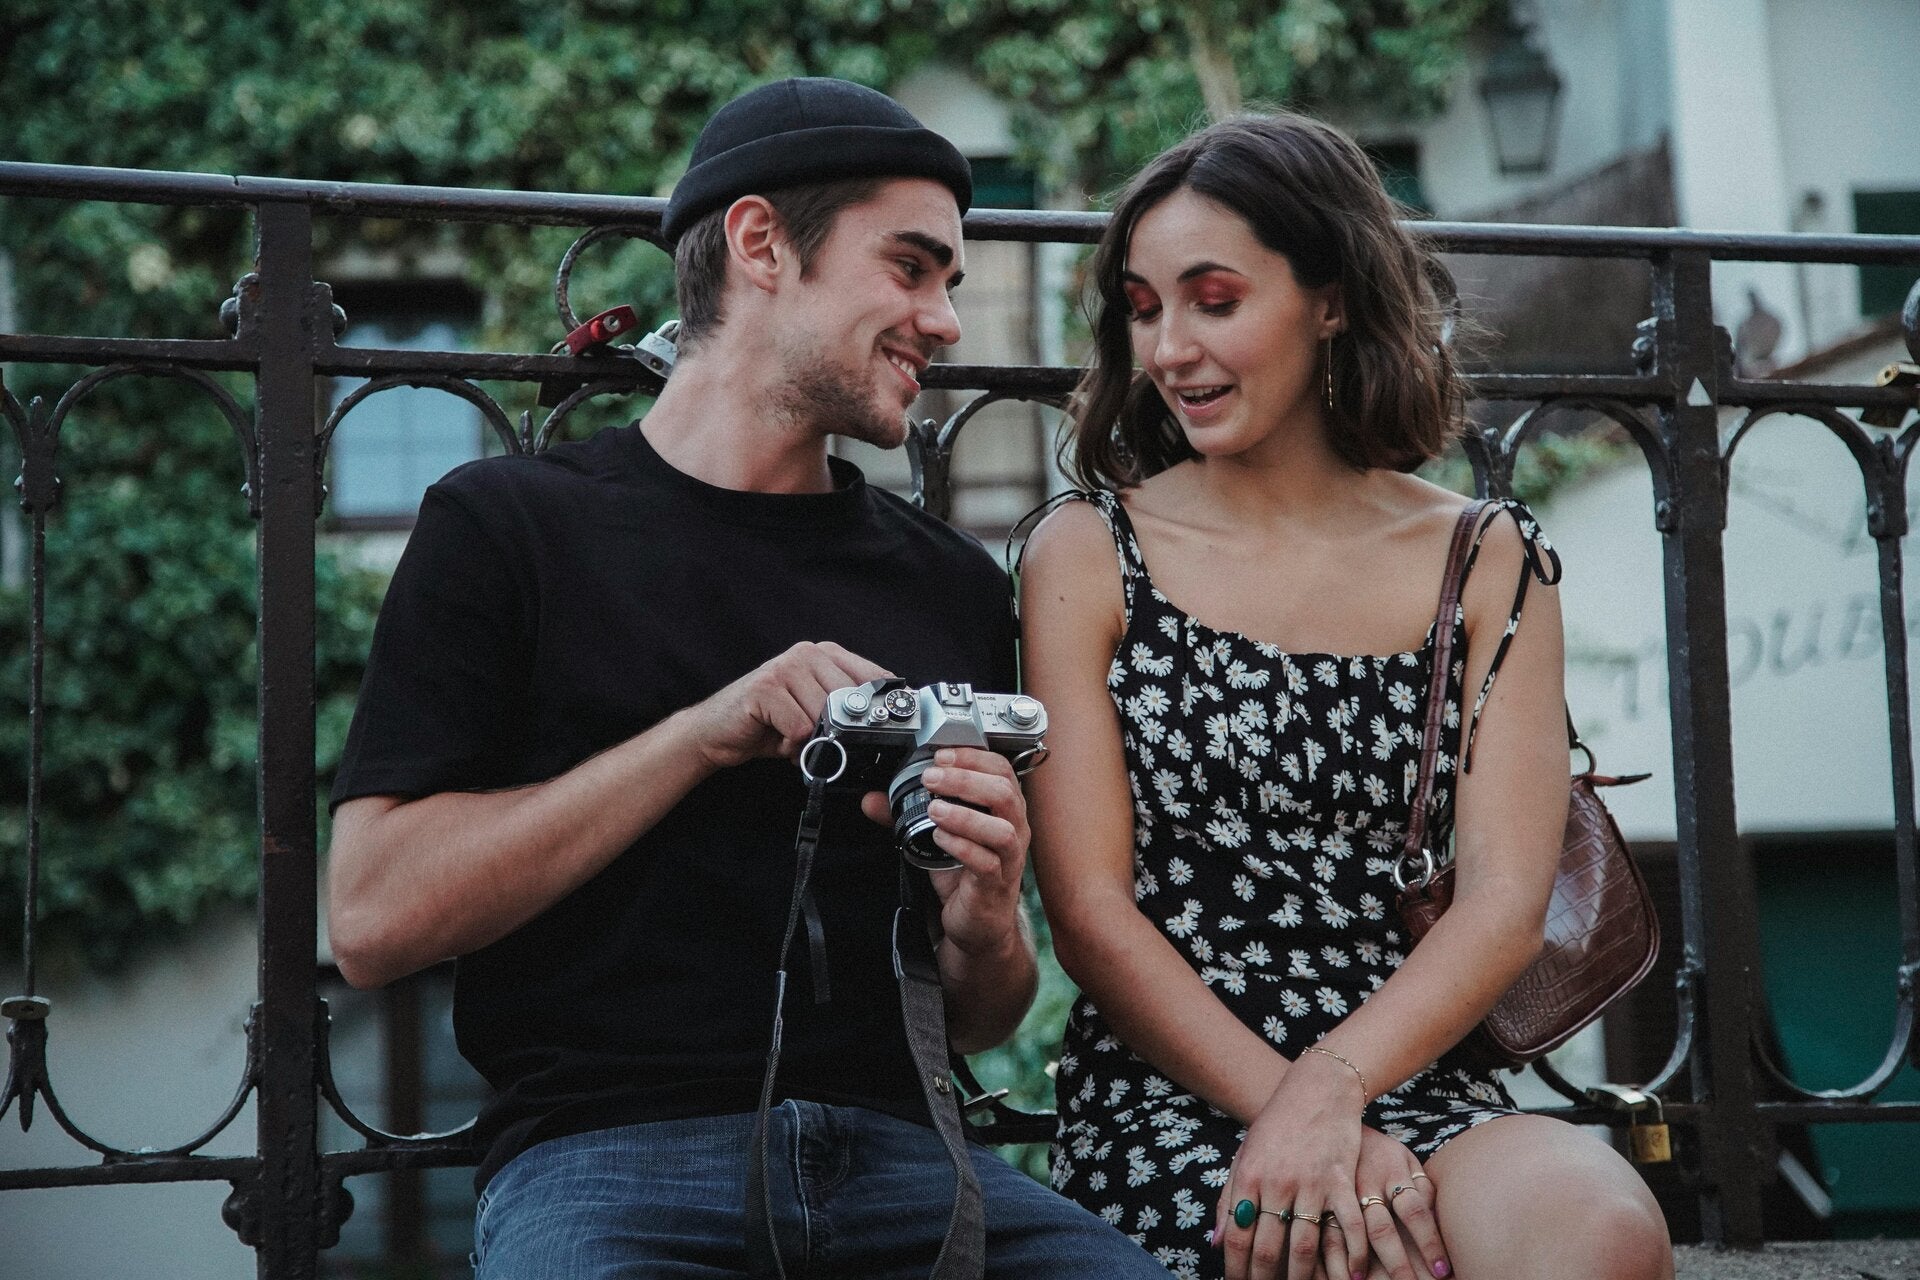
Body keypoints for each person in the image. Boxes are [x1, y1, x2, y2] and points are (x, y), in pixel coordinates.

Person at [326, 77, 1167, 1280]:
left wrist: (985, 911)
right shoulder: (510, 525)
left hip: (908, 1163)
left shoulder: (953, 584)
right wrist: (703, 734)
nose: (945, 322)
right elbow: (368, 919)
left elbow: (981, 1015)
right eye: (912, 268)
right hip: (607, 1163)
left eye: (950, 283)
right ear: (761, 242)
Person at [1018, 114, 1674, 1280]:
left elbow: (1504, 904)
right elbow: (1091, 913)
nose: (1170, 346)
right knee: (1329, 1252)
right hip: (1175, 1089)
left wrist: (1337, 1091)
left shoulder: (1486, 556)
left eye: (1214, 299)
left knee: (1605, 1231)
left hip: (1409, 1074)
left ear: (1330, 298)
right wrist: (1293, 1114)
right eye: (1144, 305)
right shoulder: (1089, 547)